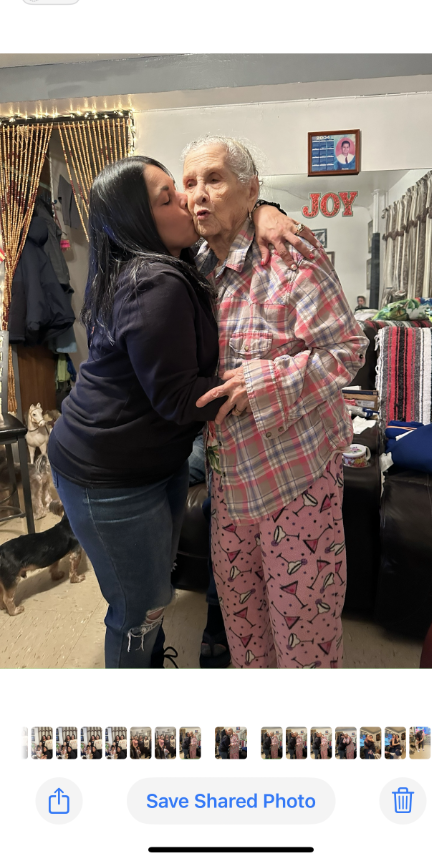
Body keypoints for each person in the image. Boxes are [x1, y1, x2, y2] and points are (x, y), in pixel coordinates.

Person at [49, 155, 314, 669]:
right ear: (137, 220)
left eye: (183, 188)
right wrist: (265, 380)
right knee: (139, 609)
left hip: (150, 458)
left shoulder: (176, 261)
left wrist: (264, 208)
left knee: (156, 592)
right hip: (108, 473)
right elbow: (178, 399)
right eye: (168, 197)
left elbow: (234, 221)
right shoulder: (156, 283)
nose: (190, 202)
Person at [184, 136, 368, 668]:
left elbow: (348, 349)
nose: (199, 195)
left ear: (251, 190)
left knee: (304, 643)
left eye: (214, 179)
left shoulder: (290, 257)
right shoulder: (194, 268)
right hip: (229, 486)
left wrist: (262, 383)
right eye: (189, 183)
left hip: (297, 481)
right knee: (245, 638)